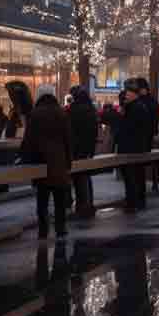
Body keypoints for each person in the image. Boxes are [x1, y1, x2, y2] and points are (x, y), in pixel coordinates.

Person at [20, 86, 72, 238]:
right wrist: (68, 160)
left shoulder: (35, 114)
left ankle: (43, 229)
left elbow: (29, 139)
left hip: (41, 161)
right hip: (59, 162)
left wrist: (26, 158)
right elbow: (68, 139)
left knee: (42, 199)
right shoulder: (62, 113)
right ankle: (61, 228)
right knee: (59, 199)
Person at [117, 79, 154, 211]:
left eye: (128, 93)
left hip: (131, 148)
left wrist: (123, 113)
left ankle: (132, 202)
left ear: (134, 95)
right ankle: (138, 201)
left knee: (131, 176)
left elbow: (128, 128)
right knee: (137, 175)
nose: (126, 95)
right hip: (137, 147)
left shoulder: (135, 108)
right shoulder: (137, 106)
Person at [68, 87, 98, 218]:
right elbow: (94, 131)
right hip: (88, 148)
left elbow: (69, 131)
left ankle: (82, 206)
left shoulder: (73, 110)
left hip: (76, 149)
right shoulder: (91, 109)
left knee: (78, 178)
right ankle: (89, 204)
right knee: (86, 176)